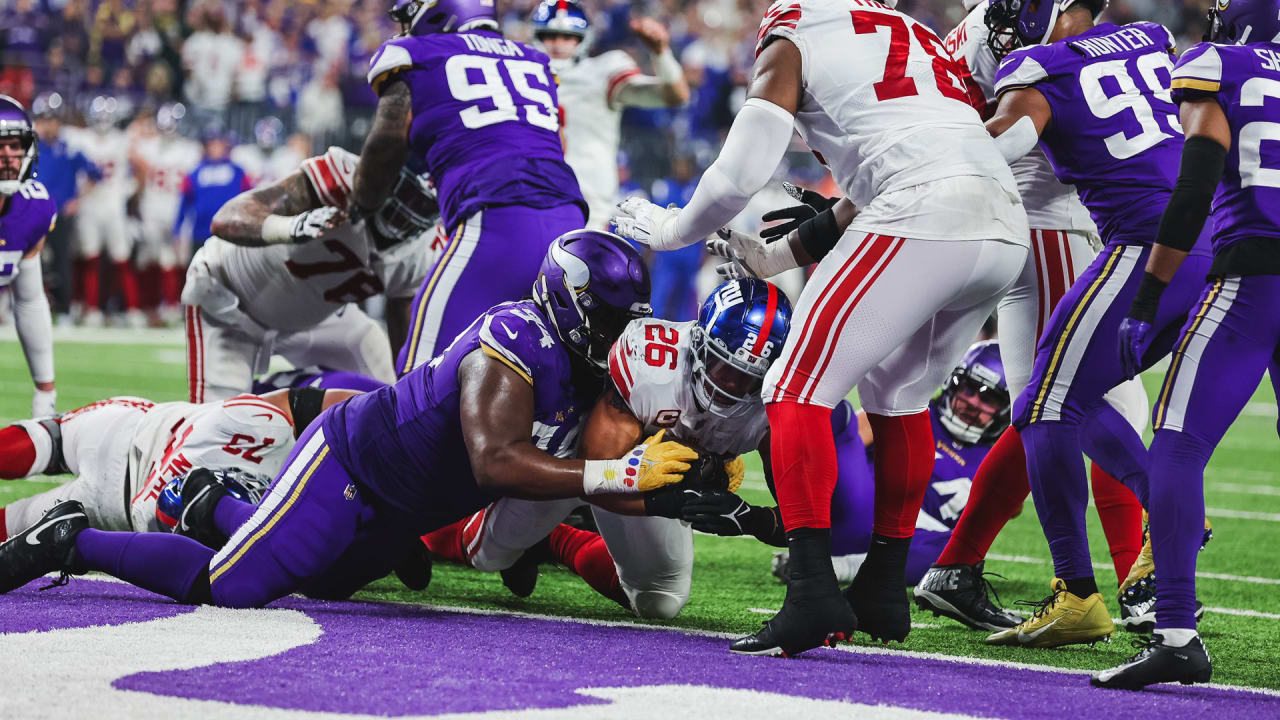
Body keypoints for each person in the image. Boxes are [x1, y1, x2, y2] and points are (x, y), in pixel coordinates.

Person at [612, 0, 1028, 655]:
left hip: (923, 211)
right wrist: (777, 256)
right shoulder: (913, 34)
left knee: (791, 387)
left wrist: (671, 230)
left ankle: (811, 592)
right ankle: (884, 590)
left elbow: (738, 177)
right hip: (1003, 223)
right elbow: (903, 161)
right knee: (899, 395)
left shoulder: (798, 27)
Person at [0, 231, 695, 612]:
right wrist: (617, 471)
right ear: (567, 301)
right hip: (353, 468)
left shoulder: (593, 365)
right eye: (605, 318)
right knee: (233, 586)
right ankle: (74, 541)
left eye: (622, 321)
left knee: (323, 582)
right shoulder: (513, 341)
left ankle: (215, 506)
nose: (614, 335)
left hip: (408, 504)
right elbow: (497, 462)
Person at [977, 0, 1214, 649]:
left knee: (1043, 406)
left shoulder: (1036, 66)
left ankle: (1078, 593)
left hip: (1146, 246)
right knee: (1069, 400)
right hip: (1210, 243)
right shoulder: (1150, 37)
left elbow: (1007, 143)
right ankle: (1158, 526)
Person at [911, 0, 1149, 632]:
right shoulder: (1029, 43)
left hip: (1036, 221)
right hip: (1050, 224)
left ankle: (956, 566)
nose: (1089, 28)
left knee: (1039, 409)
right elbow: (1013, 129)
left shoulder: (992, 30)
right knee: (1101, 407)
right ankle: (1137, 583)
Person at [1093, 0, 1280, 690]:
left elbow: (1196, 184)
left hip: (1254, 277)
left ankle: (1174, 632)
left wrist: (1148, 293)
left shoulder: (1215, 64)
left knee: (1175, 442)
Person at [423, 277, 789, 619]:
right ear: (697, 341)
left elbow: (808, 523)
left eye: (747, 379)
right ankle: (419, 530)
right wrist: (672, 499)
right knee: (489, 554)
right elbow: (595, 471)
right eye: (720, 363)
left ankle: (556, 539)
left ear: (771, 376)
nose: (727, 385)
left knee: (660, 600)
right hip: (581, 459)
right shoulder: (652, 365)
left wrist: (750, 518)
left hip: (646, 472)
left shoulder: (779, 403)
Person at [351, 0, 587, 375]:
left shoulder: (417, 52)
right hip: (570, 219)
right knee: (548, 377)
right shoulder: (533, 59)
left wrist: (361, 204)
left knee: (415, 385)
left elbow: (386, 141)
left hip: (497, 220)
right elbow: (557, 141)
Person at [182, 146, 435, 402]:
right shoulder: (340, 176)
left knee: (388, 393)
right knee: (218, 429)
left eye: (420, 204)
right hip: (230, 302)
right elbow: (225, 219)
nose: (407, 212)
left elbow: (404, 331)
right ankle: (267, 402)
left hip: (319, 316)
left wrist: (414, 399)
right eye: (405, 196)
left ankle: (274, 395)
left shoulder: (425, 247)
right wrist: (292, 226)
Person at [0, 387, 339, 538]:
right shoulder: (259, 425)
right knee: (45, 442)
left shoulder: (261, 422)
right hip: (116, 494)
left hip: (124, 433)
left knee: (47, 443)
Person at [529, 0, 689, 230]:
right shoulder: (520, 74)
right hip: (534, 201)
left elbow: (675, 95)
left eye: (568, 37)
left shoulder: (601, 70)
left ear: (583, 38)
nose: (558, 44)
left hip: (588, 209)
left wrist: (661, 53)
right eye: (550, 35)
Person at [0, 95, 57, 416]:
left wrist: (44, 393)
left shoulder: (33, 207)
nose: (8, 157)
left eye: (14, 145)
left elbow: (29, 300)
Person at [67, 95, 135, 327]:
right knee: (89, 257)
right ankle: (90, 307)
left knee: (121, 258)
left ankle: (132, 308)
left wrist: (129, 189)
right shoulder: (80, 138)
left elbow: (139, 165)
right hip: (90, 205)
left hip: (113, 205)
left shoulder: (122, 140)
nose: (103, 120)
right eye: (100, 116)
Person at [130, 102, 201, 325]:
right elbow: (132, 155)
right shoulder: (157, 147)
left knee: (177, 258)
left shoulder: (189, 150)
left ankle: (174, 305)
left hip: (177, 208)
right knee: (153, 256)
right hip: (154, 206)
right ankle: (155, 306)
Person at [31, 92, 100, 317]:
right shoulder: (29, 148)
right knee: (30, 261)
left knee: (62, 261)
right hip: (33, 212)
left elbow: (94, 174)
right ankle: (29, 306)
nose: (48, 125)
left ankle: (64, 308)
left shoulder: (70, 148)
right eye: (44, 120)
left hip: (60, 213)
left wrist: (77, 200)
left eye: (51, 120)